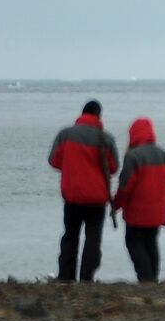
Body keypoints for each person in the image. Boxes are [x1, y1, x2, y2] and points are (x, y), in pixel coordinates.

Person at [48, 100, 119, 282]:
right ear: (99, 116)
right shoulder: (106, 139)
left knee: (70, 237)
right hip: (97, 199)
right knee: (93, 240)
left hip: (72, 197)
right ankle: (87, 278)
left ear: (82, 113)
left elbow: (54, 161)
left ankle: (66, 277)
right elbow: (113, 167)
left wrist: (72, 166)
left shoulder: (65, 135)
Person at [112, 117, 165, 283]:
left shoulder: (133, 156)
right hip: (157, 214)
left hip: (136, 214)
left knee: (134, 243)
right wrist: (163, 211)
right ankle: (152, 278)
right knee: (151, 243)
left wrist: (115, 205)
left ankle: (146, 278)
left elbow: (125, 186)